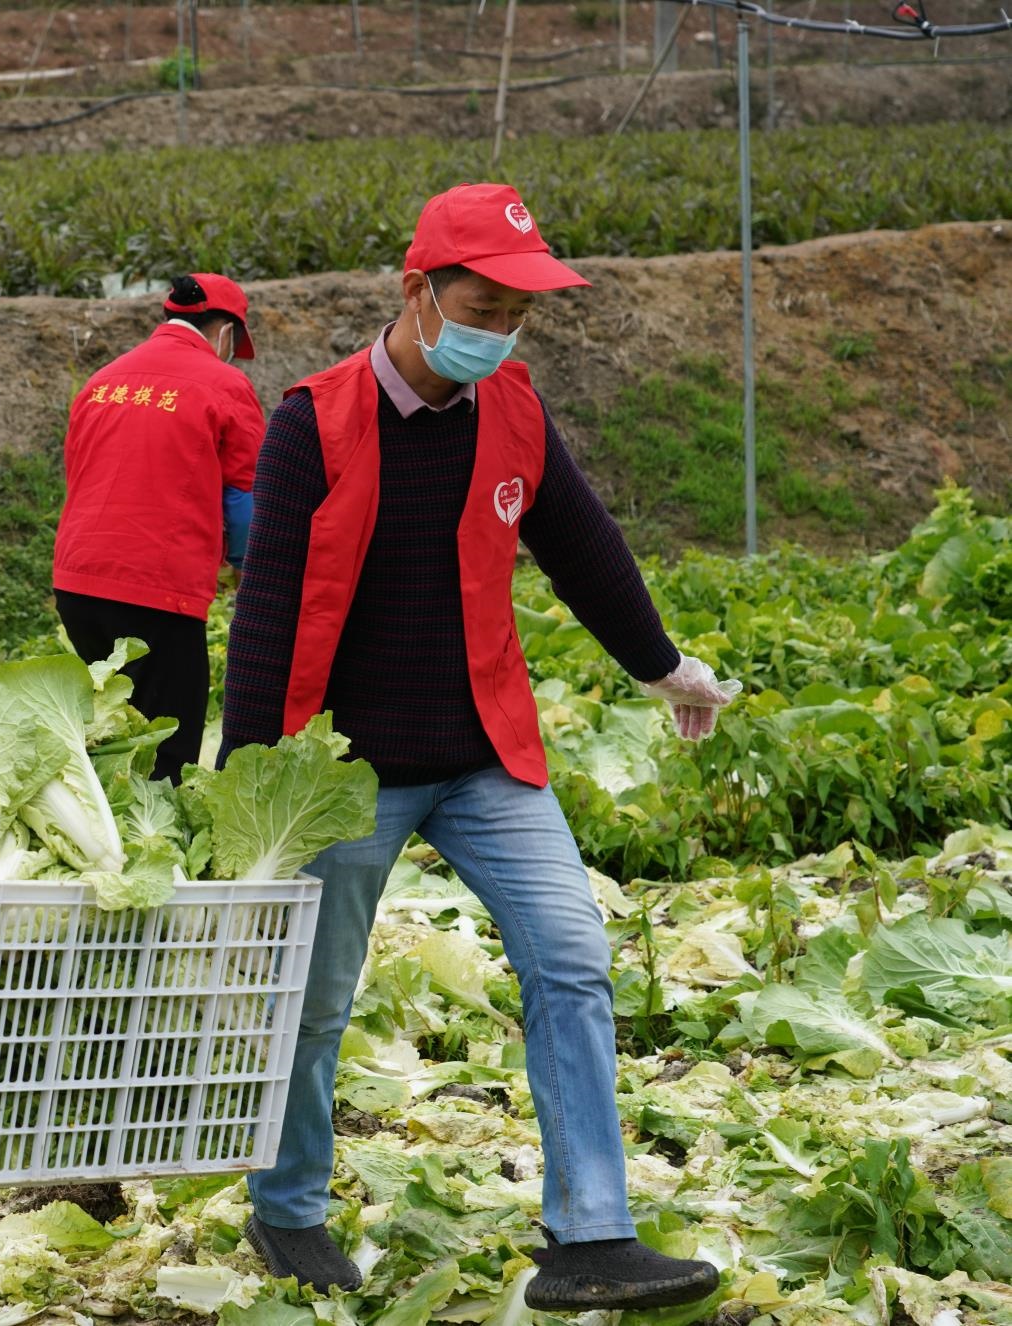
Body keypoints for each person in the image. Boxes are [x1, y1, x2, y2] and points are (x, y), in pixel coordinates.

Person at [220, 183, 742, 1311]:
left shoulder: (513, 410)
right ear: (416, 292)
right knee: (313, 999)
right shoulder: (313, 421)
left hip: (479, 760)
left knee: (570, 960)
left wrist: (662, 668)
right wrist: (245, 788)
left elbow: (584, 548)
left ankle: (588, 1237)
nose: (498, 333)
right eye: (480, 305)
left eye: (517, 315)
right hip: (341, 772)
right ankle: (286, 1209)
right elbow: (264, 613)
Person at [53, 273, 265, 782]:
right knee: (166, 747)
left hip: (78, 584)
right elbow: (243, 497)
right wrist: (244, 568)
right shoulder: (226, 384)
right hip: (157, 590)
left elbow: (80, 473)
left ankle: (104, 841)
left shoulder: (104, 380)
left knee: (107, 729)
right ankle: (152, 852)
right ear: (224, 331)